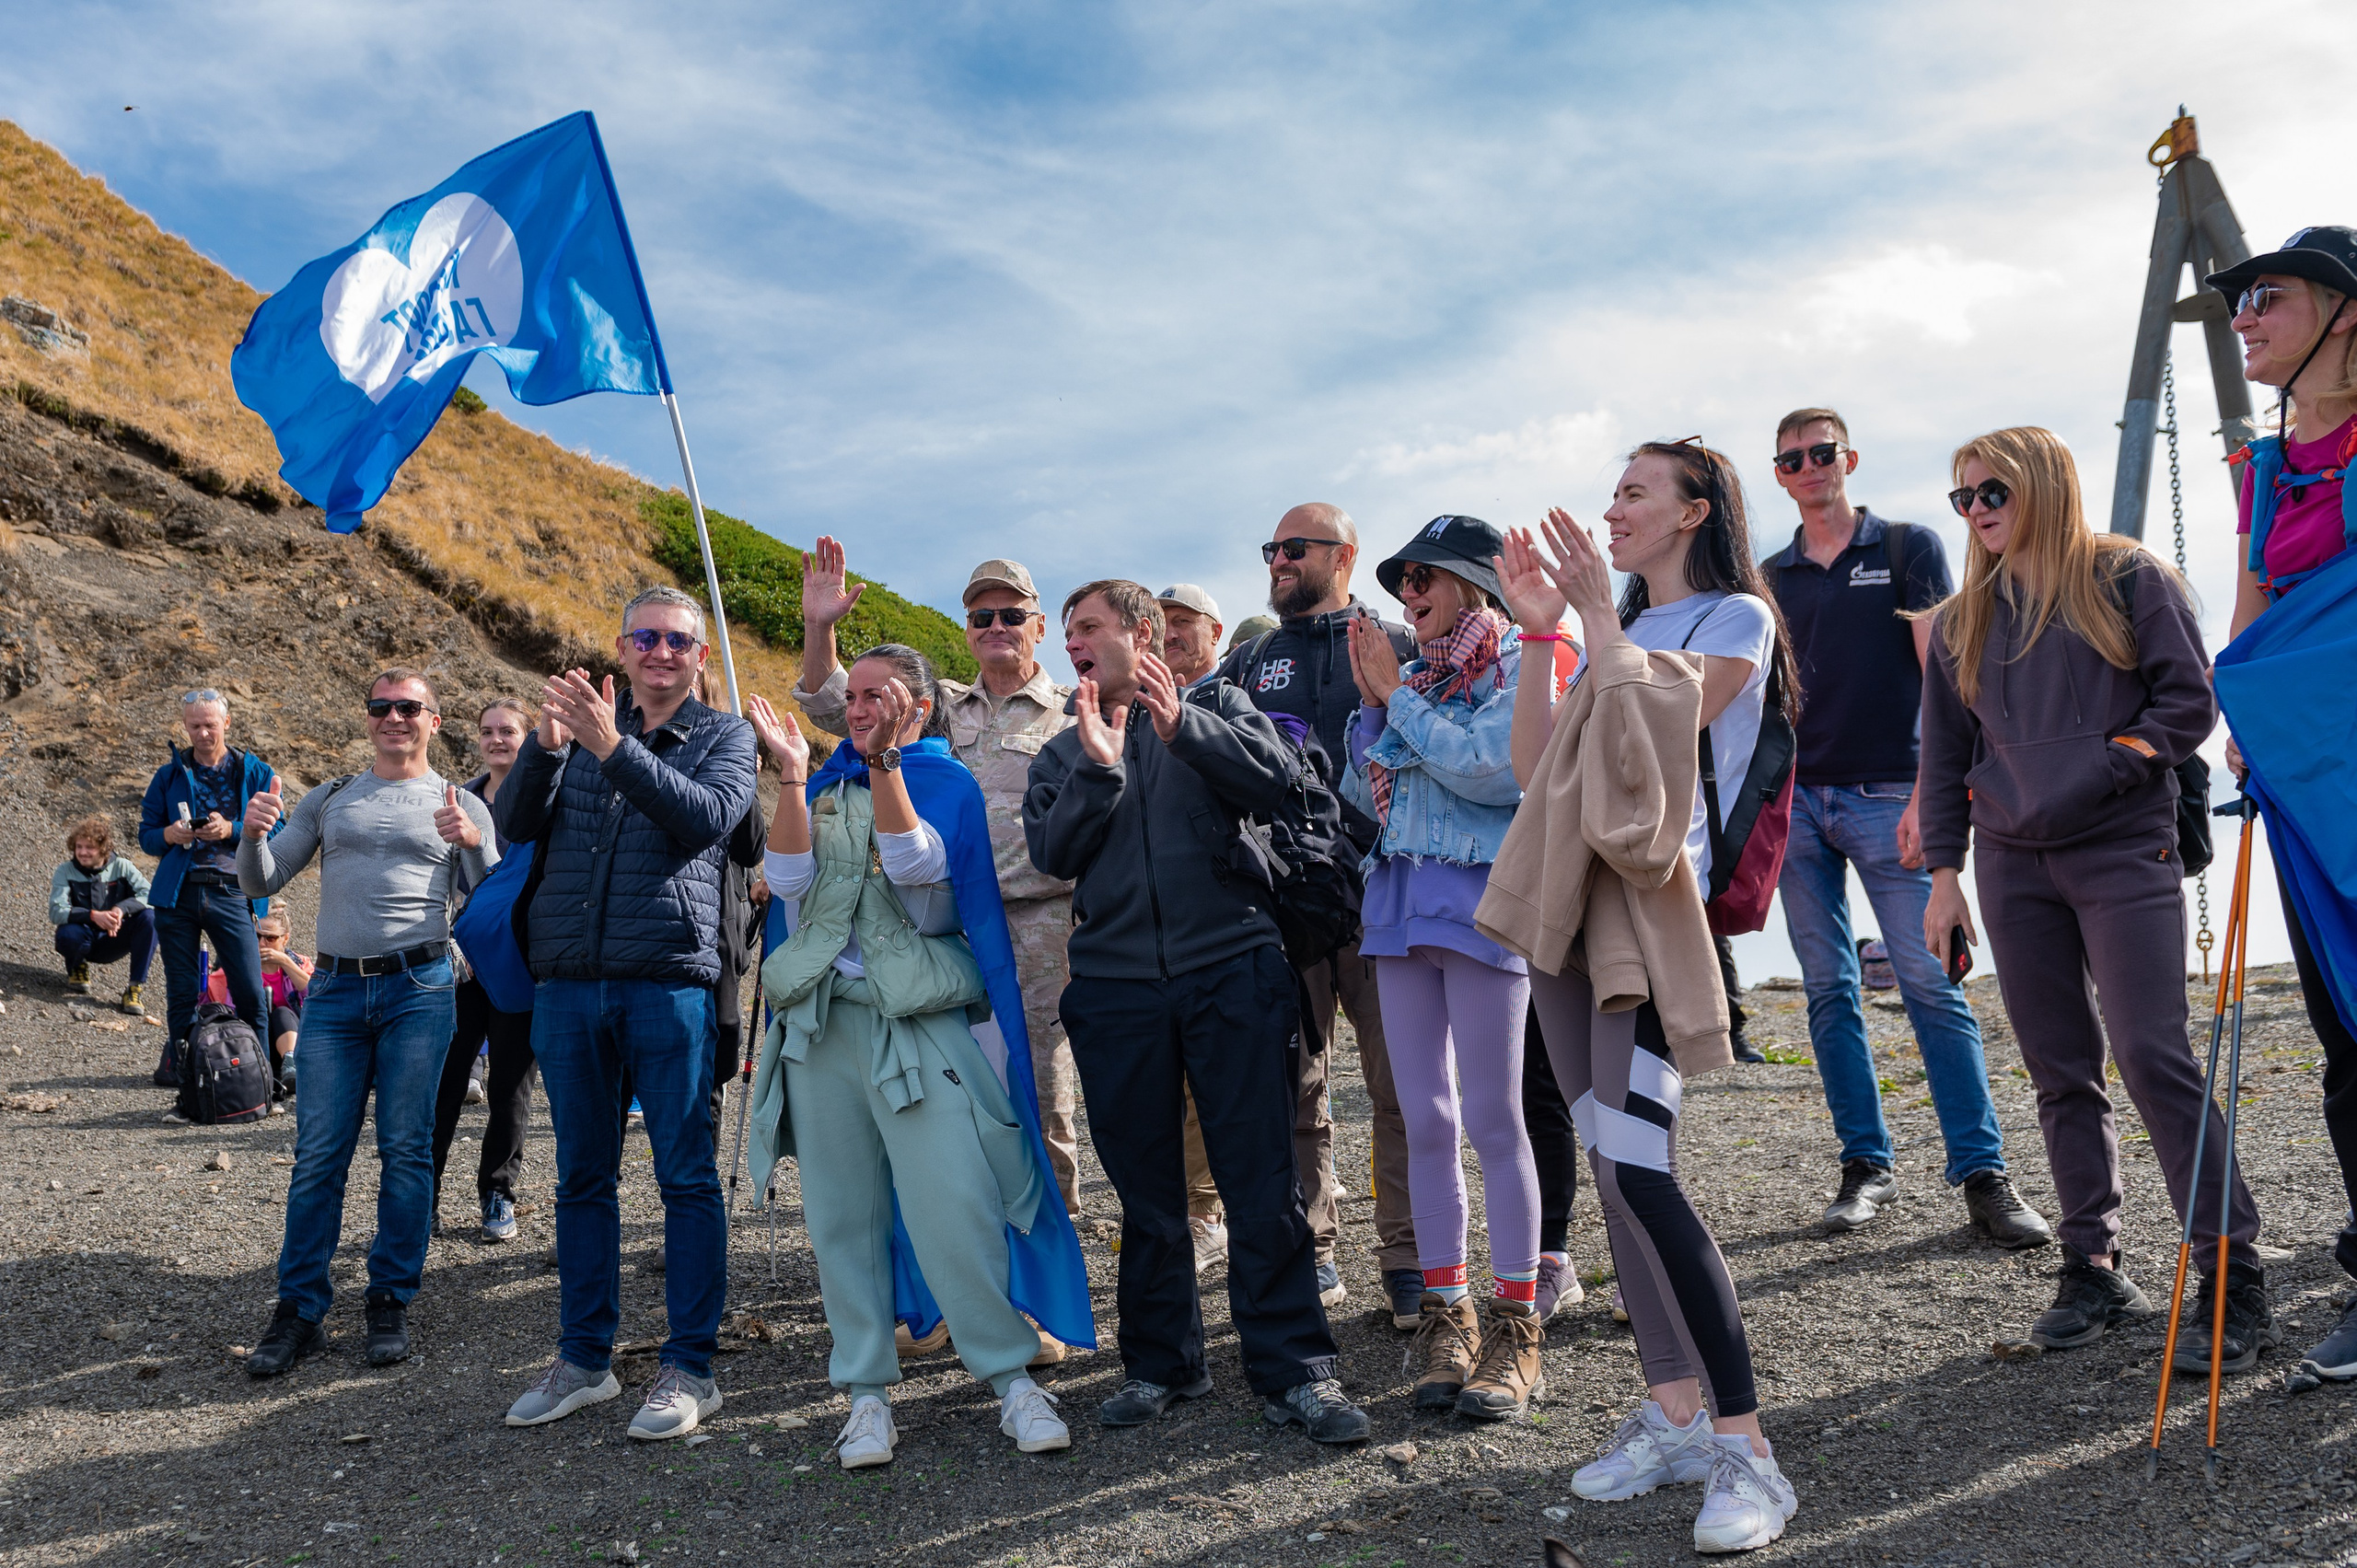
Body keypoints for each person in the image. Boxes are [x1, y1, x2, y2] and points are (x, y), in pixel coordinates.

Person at [1488, 447, 1801, 1554]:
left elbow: (1657, 740)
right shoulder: (1607, 636)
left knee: (1643, 1170)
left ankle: (1747, 1449)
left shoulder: (1733, 619)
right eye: (1614, 490)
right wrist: (1540, 635)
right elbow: (1538, 769)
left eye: (1634, 492)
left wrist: (1594, 625)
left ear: (1692, 512)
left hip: (1652, 917)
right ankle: (1674, 1416)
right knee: (1617, 1175)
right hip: (1574, 916)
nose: (1612, 508)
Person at [1918, 426, 2269, 1373]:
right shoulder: (1962, 621)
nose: (1979, 509)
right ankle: (2092, 1264)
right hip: (2010, 863)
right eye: (1963, 496)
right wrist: (1943, 878)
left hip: (2121, 845)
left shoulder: (2124, 577)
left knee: (2152, 1053)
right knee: (2056, 1067)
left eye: (1993, 489)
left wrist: (2115, 765)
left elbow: (2186, 700)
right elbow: (1943, 756)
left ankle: (2231, 1274)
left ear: (2043, 483)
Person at [1026, 579, 1370, 1444]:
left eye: (1090, 625)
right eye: (1067, 631)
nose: (1073, 640)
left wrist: (1184, 730)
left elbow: (1276, 784)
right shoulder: (1060, 753)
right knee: (1146, 1194)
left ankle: (1296, 1371)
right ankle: (1160, 1365)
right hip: (1114, 988)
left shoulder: (1222, 704)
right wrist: (1099, 767)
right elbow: (1052, 852)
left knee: (1261, 1181)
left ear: (1141, 634)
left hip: (1234, 971)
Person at [741, 652, 1088, 1469]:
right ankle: (865, 1395)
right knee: (840, 1215)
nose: (860, 708)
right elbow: (786, 882)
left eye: (880, 696)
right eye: (853, 697)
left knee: (954, 1199)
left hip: (918, 1025)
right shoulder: (820, 785)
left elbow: (917, 872)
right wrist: (792, 776)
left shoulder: (942, 782)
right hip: (822, 1028)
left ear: (921, 706)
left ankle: (1010, 1379)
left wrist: (888, 762)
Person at [1759, 407, 2049, 1249]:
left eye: (1820, 453)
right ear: (1778, 474)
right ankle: (1864, 1165)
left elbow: (1940, 669)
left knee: (1931, 985)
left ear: (1847, 458)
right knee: (1826, 990)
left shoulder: (1905, 546)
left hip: (1891, 792)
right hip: (1798, 802)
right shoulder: (1768, 572)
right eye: (1790, 460)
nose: (1808, 468)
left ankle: (1984, 1174)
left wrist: (1933, 789)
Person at [496, 586, 760, 1442]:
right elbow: (512, 825)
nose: (660, 652)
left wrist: (609, 747)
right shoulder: (578, 732)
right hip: (570, 980)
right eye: (645, 637)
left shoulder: (726, 735)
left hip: (668, 979)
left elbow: (706, 820)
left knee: (684, 1176)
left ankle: (692, 1366)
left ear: (699, 655)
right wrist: (543, 747)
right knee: (581, 1176)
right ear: (622, 644)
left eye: (678, 640)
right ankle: (584, 1359)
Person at [793, 542, 1086, 1234]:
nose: (995, 627)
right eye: (981, 616)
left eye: (1011, 614)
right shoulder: (943, 706)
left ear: (1039, 626)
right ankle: (954, 1269)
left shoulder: (1074, 712)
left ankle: (1043, 1261)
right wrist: (818, 626)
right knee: (945, 1089)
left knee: (1038, 1089)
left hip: (1038, 925)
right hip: (943, 928)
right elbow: (837, 705)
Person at [1337, 515, 1545, 1420]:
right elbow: (1363, 800)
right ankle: (1445, 1314)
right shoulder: (1408, 679)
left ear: (1474, 584)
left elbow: (1492, 768)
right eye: (1401, 579)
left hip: (1484, 908)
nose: (1407, 591)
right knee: (1424, 1118)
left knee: (1496, 1118)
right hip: (1396, 906)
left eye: (1424, 575)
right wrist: (1377, 704)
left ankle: (1516, 1324)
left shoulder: (1517, 667)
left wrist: (1398, 702)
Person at [237, 668, 499, 1377]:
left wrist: (472, 838)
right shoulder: (331, 796)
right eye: (381, 706)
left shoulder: (458, 800)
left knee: (406, 1147)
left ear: (434, 720)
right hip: (332, 989)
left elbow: (492, 891)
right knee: (319, 1152)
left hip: (420, 986)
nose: (393, 717)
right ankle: (300, 1310)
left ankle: (389, 1297)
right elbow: (262, 881)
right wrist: (251, 835)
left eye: (408, 707)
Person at [2208, 227, 2357, 1379]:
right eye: (2238, 299)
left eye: (2268, 296)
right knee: (2347, 1040)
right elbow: (2253, 631)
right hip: (2307, 792)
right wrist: (2247, 727)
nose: (2243, 315)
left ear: (2345, 312)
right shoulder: (2263, 471)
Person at [1211, 503, 1421, 1320]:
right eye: (1271, 548)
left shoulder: (1397, 641)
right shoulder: (1249, 660)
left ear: (1345, 554)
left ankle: (1409, 1259)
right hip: (1287, 905)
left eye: (1295, 548)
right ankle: (1314, 1250)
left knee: (1400, 1085)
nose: (1277, 560)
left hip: (1385, 894)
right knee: (1293, 1087)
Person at [430, 699, 540, 1244]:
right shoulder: (456, 799)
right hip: (463, 961)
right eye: (488, 732)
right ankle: (421, 1197)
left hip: (521, 960)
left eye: (509, 732)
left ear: (528, 737)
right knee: (444, 1080)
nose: (497, 740)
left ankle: (498, 1191)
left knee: (511, 1085)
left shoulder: (545, 797)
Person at [139, 689, 277, 1088]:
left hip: (232, 890)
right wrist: (168, 833)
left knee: (250, 990)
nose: (202, 733)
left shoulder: (254, 771)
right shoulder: (168, 776)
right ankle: (189, 1083)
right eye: (194, 725)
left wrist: (232, 829)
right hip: (177, 895)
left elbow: (281, 829)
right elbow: (146, 836)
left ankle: (261, 1080)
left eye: (210, 725)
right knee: (181, 993)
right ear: (185, 725)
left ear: (227, 723)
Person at [1157, 583, 1232, 1273]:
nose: (1170, 632)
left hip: (1226, 925)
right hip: (1157, 933)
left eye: (1184, 622)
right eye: (1162, 622)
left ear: (1215, 629)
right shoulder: (1130, 711)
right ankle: (1191, 1211)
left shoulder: (1232, 700)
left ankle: (1212, 1212)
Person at [50, 815, 156, 1014]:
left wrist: (120, 910)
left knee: (150, 919)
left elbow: (149, 895)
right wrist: (92, 915)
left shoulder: (123, 866)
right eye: (79, 847)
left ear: (103, 848)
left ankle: (134, 989)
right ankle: (77, 966)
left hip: (114, 938)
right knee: (67, 934)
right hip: (82, 936)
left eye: (89, 848)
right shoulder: (65, 871)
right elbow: (56, 910)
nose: (82, 852)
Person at [210, 913, 309, 1094]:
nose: (262, 944)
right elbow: (229, 1010)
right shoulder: (240, 968)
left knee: (282, 1013)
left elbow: (316, 996)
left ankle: (291, 1064)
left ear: (285, 938)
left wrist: (285, 961)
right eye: (257, 936)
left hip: (294, 1039)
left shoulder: (301, 963)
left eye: (270, 938)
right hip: (254, 1039)